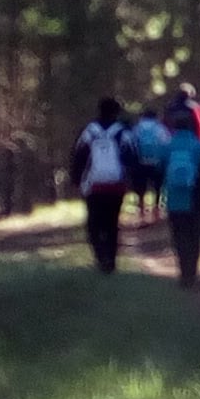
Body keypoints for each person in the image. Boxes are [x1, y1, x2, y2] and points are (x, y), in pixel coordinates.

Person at [68, 96, 147, 273]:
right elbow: (132, 158)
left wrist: (75, 179)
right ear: (116, 112)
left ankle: (100, 256)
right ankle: (110, 261)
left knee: (94, 223)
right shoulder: (123, 132)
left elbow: (78, 156)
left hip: (93, 186)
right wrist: (136, 184)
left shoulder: (89, 131)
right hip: (116, 186)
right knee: (111, 223)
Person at [155, 100, 200, 287]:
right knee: (194, 236)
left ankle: (184, 271)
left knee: (179, 235)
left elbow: (160, 169)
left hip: (174, 199)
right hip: (195, 199)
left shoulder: (168, 146)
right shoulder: (199, 147)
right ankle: (193, 271)